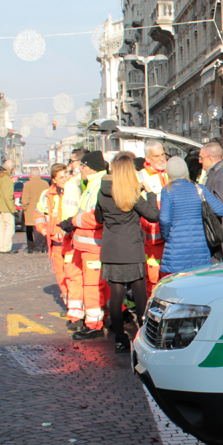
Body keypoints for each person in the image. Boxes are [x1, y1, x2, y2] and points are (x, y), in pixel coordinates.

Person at [95, 154, 160, 353]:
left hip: (111, 250)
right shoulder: (131, 194)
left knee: (116, 296)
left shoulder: (102, 192)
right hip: (131, 249)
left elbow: (98, 218)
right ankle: (143, 336)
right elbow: (153, 215)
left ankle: (120, 339)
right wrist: (150, 194)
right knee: (140, 295)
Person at [60, 151, 110, 341]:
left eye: (83, 165)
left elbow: (95, 217)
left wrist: (72, 221)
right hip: (87, 244)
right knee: (92, 284)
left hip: (93, 245)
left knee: (92, 285)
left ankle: (94, 324)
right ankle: (95, 320)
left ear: (90, 167)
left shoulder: (98, 185)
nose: (80, 169)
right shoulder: (94, 183)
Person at [158, 156, 223, 277]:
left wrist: (167, 236)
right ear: (186, 172)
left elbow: (164, 219)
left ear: (168, 173)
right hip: (200, 247)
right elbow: (220, 210)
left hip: (177, 247)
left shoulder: (167, 191)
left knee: (178, 287)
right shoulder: (199, 188)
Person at [34, 163, 72, 309]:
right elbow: (38, 213)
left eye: (67, 175)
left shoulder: (73, 191)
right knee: (61, 276)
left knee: (73, 275)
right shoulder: (46, 194)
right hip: (56, 243)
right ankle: (70, 304)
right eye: (61, 176)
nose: (65, 178)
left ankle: (76, 306)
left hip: (70, 241)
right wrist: (42, 227)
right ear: (54, 180)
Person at [138, 141, 169, 296]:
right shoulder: (141, 177)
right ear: (148, 158)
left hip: (169, 237)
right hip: (152, 239)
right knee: (153, 279)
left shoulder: (169, 172)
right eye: (156, 156)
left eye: (163, 154)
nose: (161, 158)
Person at [199, 142, 223, 262]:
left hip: (222, 242)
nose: (200, 161)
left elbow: (220, 208)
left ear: (210, 158)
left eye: (201, 158)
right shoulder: (215, 174)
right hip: (217, 240)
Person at [21, 170, 49, 253]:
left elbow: (25, 199)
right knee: (41, 227)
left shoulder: (28, 184)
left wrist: (24, 207)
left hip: (31, 209)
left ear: (31, 175)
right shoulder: (45, 183)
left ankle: (33, 247)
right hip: (42, 209)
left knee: (31, 229)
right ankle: (44, 246)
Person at [0, 160, 17, 254]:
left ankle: (2, 247)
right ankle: (7, 247)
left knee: (0, 227)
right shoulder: (6, 178)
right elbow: (7, 195)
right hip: (6, 206)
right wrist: (12, 208)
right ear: (11, 168)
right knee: (10, 227)